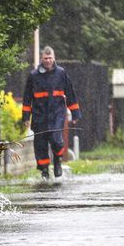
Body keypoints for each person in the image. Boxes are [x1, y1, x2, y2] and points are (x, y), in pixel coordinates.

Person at [22, 46, 81, 179]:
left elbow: (70, 93)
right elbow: (27, 98)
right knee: (40, 145)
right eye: (45, 58)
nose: (48, 61)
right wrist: (26, 117)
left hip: (56, 115)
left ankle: (57, 160)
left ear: (54, 58)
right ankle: (44, 170)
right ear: (42, 59)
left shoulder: (61, 73)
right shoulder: (33, 76)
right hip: (39, 116)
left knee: (56, 141)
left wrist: (75, 113)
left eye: (50, 58)